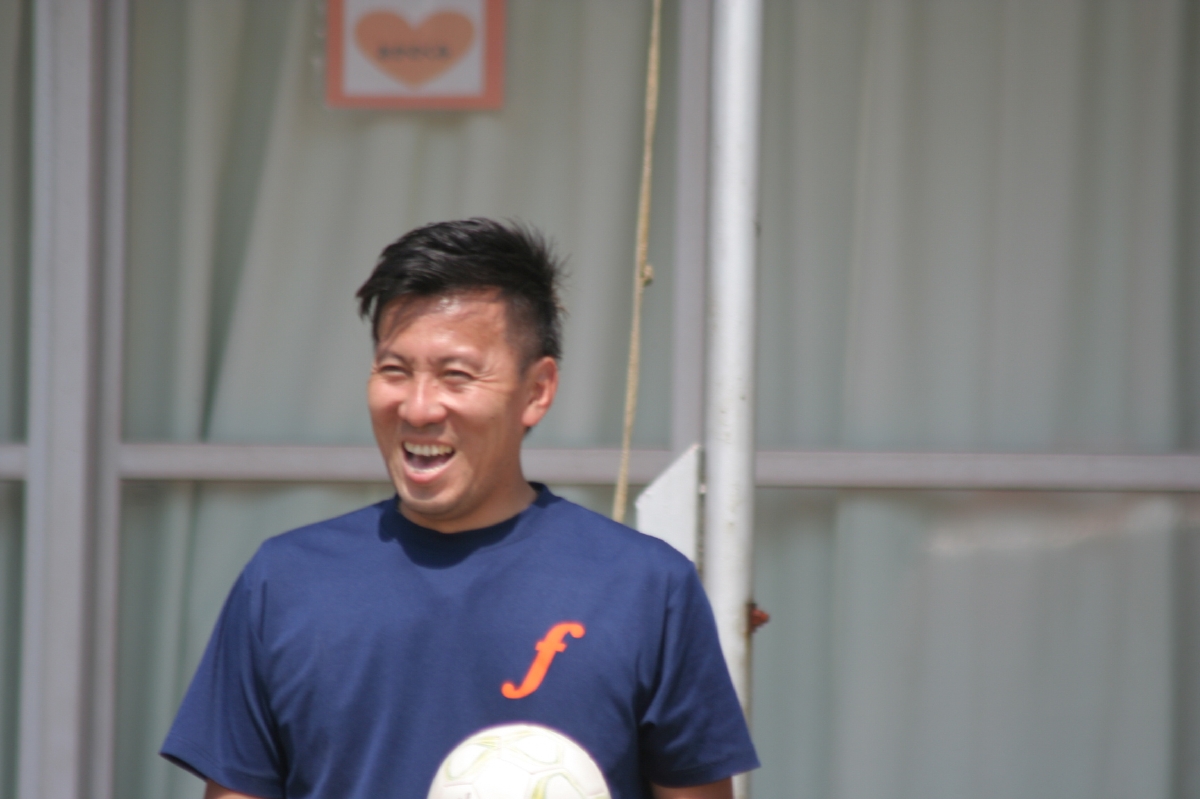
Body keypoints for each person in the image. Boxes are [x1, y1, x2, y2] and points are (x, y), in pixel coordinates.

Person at [160, 219, 758, 799]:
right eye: (394, 370)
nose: (418, 408)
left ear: (537, 391)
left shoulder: (643, 588)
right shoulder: (284, 581)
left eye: (456, 375)